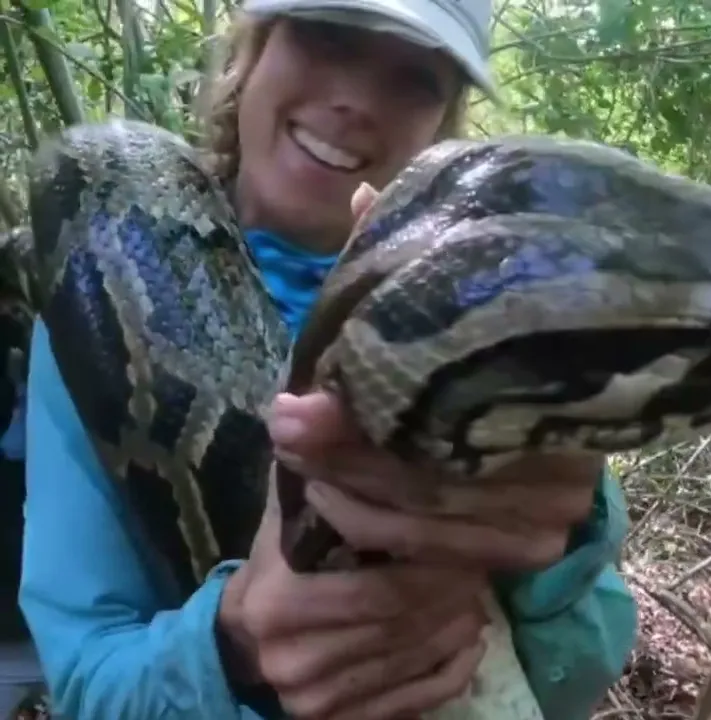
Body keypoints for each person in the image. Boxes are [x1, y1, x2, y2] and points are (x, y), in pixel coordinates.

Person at [14, 1, 638, 719]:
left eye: (414, 79)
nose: (357, 101)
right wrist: (231, 645)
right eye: (328, 37)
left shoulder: (481, 322)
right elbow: (85, 680)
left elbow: (582, 667)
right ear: (251, 51)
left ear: (441, 126)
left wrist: (561, 544)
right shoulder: (103, 295)